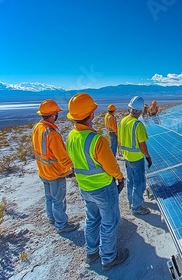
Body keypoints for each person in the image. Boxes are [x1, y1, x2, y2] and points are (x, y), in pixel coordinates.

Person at [66, 93, 129, 269]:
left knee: (92, 219)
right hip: (103, 188)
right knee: (110, 222)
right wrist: (120, 177)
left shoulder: (71, 136)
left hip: (84, 187)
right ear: (91, 115)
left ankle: (91, 251)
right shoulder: (97, 140)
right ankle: (108, 258)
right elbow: (111, 166)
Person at [31, 100, 79, 233]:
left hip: (42, 171)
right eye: (56, 113)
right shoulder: (51, 133)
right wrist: (72, 168)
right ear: (52, 115)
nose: (57, 115)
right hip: (55, 172)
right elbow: (62, 156)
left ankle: (52, 218)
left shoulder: (37, 127)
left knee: (49, 197)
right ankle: (61, 225)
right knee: (59, 200)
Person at [118, 96, 152, 215]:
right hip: (136, 158)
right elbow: (142, 145)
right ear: (141, 110)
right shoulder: (138, 125)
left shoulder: (123, 120)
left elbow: (120, 140)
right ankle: (136, 207)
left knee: (130, 181)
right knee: (139, 183)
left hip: (126, 157)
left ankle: (131, 201)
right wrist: (147, 157)